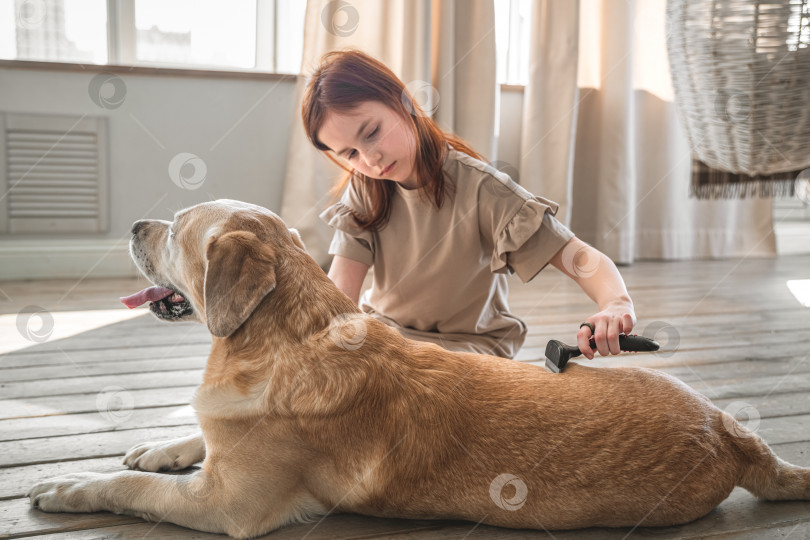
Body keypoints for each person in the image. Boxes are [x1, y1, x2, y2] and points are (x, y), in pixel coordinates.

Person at [302, 49, 636, 360]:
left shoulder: (484, 188)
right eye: (350, 154)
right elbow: (341, 297)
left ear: (403, 101)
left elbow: (576, 256)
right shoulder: (364, 190)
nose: (370, 159)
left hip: (469, 348)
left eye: (372, 132)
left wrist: (615, 303)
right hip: (391, 339)